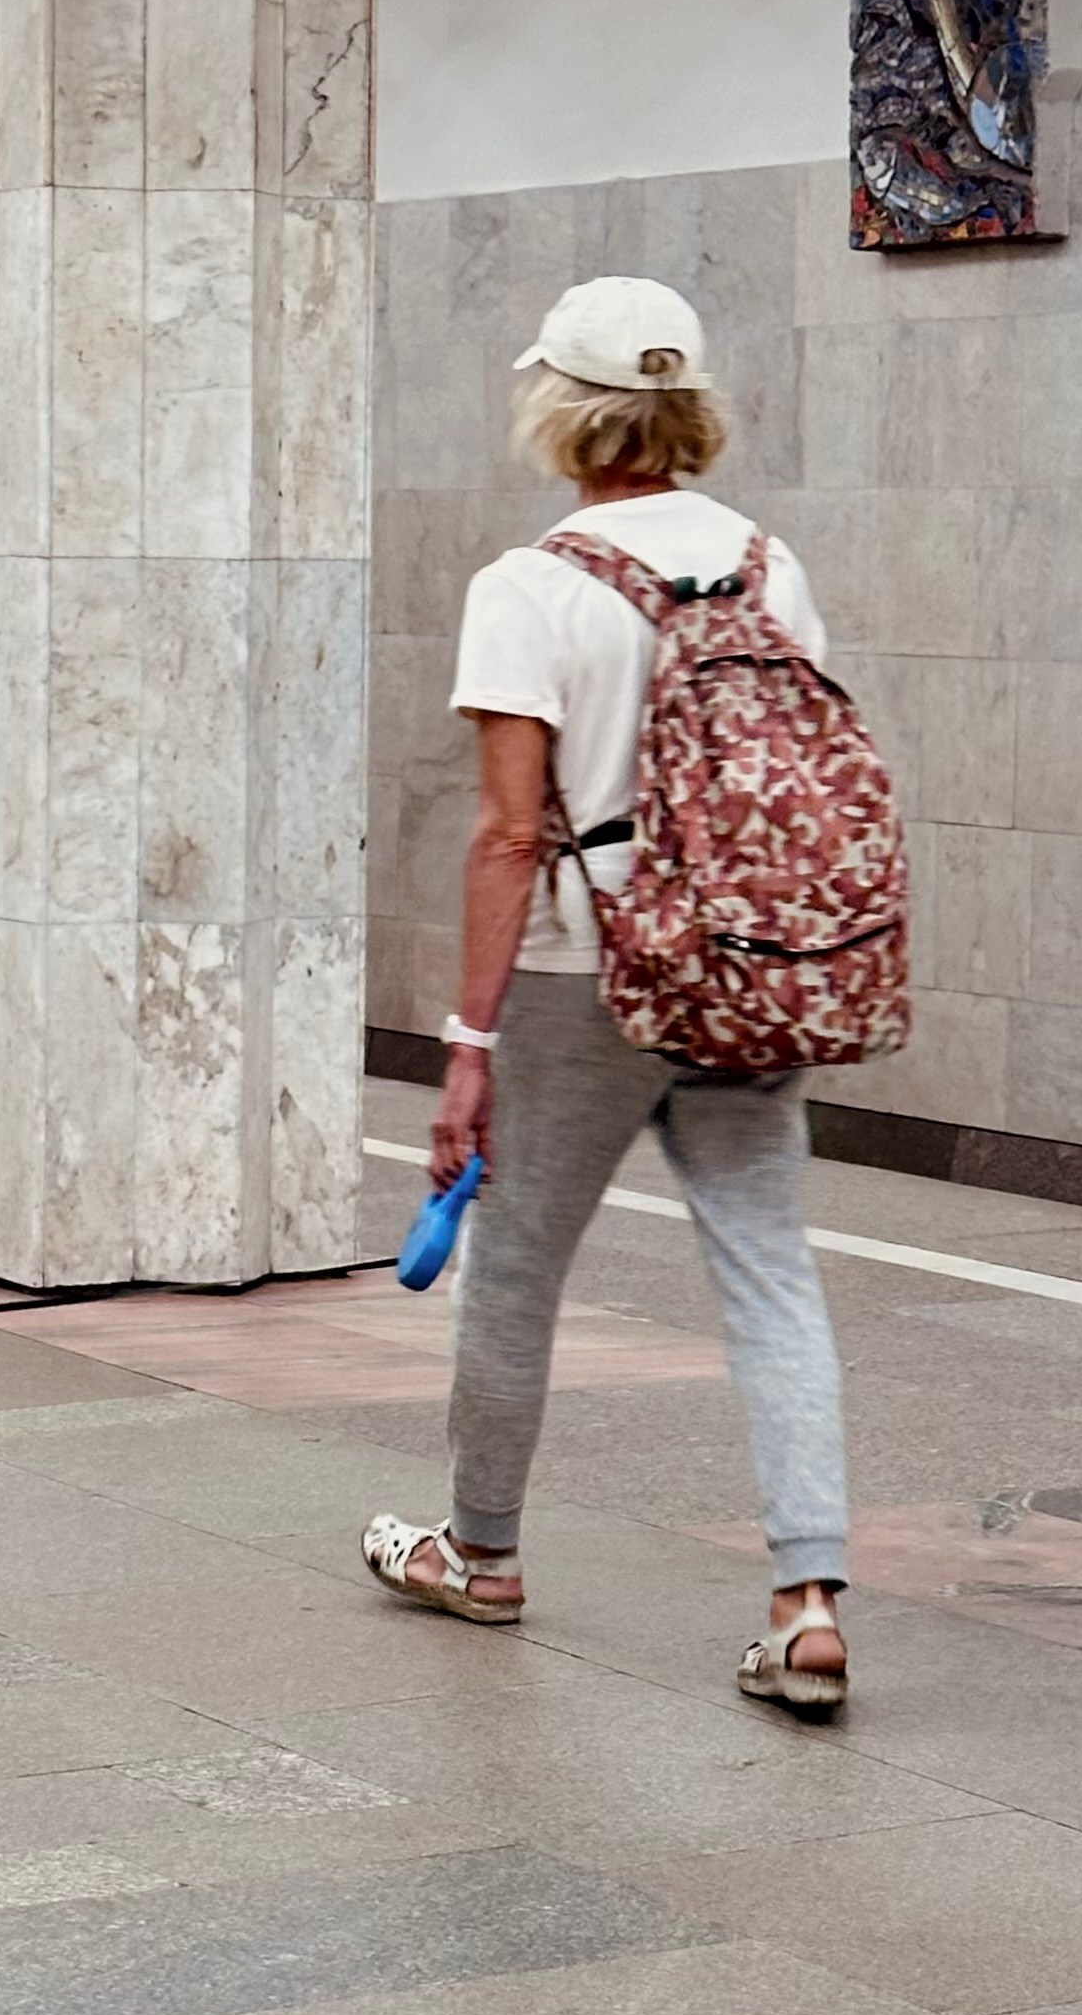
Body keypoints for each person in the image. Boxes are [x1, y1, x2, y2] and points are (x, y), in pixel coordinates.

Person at [361, 276, 851, 1711]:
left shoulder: (530, 585)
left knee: (512, 1272)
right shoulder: (770, 563)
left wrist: (467, 1045)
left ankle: (483, 1552)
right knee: (770, 1273)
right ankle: (806, 1596)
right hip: (746, 970)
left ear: (561, 411)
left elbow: (510, 834)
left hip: (587, 973)